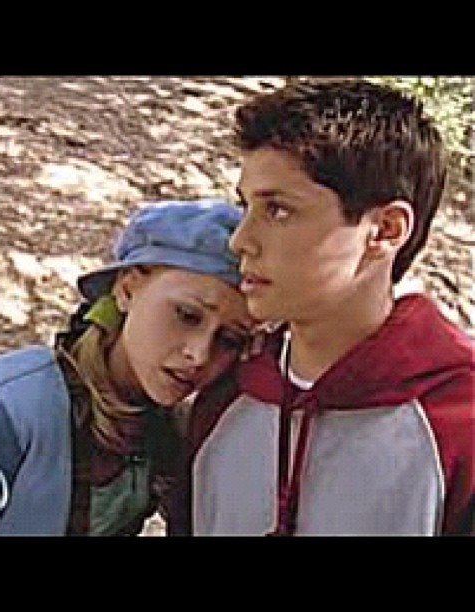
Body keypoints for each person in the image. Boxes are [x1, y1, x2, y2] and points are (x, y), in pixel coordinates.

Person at [168, 79, 474, 536]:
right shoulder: (224, 396)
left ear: (385, 230)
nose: (240, 240)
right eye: (246, 206)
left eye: (278, 210)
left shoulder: (460, 422)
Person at [0, 199, 254, 536]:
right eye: (187, 316)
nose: (199, 354)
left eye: (229, 340)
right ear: (127, 289)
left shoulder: (167, 431)